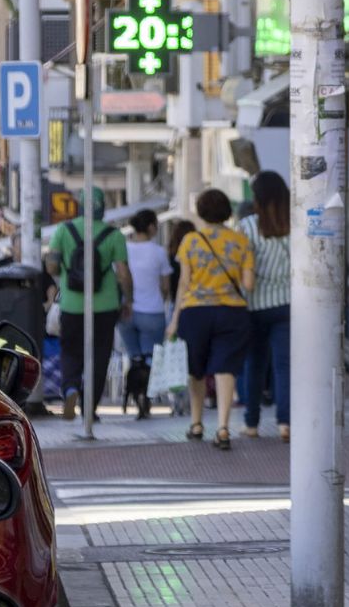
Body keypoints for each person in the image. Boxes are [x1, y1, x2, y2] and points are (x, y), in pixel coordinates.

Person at [167, 189, 255, 450]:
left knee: (196, 369)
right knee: (225, 368)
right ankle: (224, 427)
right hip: (232, 311)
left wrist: (174, 319)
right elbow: (249, 284)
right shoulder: (241, 241)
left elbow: (183, 284)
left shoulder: (190, 241)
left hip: (196, 312)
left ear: (201, 212)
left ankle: (196, 423)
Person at [45, 187, 131, 422]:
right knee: (100, 355)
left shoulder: (64, 230)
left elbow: (51, 266)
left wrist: (64, 268)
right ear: (103, 207)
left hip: (72, 304)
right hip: (105, 306)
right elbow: (123, 274)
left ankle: (71, 388)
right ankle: (89, 407)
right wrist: (128, 300)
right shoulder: (114, 235)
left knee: (70, 351)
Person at [238, 172, 292, 442]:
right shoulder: (295, 225)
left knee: (254, 365)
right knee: (284, 366)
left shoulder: (247, 227)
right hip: (287, 305)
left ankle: (252, 423)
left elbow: (239, 267)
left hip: (254, 306)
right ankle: (286, 423)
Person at [119, 208, 170, 419]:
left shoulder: (124, 249)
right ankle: (146, 397)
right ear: (150, 227)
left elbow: (120, 277)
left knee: (135, 358)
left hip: (126, 313)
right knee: (150, 359)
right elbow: (165, 285)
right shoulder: (159, 252)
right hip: (152, 311)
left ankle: (135, 394)